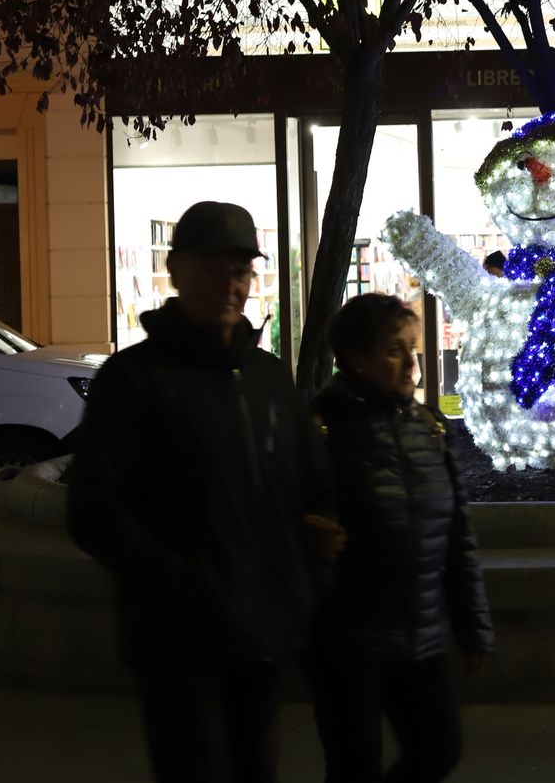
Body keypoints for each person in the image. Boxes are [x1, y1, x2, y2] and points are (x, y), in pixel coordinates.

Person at [67, 201, 343, 783]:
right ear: (176, 270)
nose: (231, 284)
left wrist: (309, 563)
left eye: (241, 271)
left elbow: (313, 480)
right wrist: (183, 582)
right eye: (215, 269)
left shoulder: (268, 378)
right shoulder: (133, 379)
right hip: (179, 644)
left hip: (262, 635)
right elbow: (94, 510)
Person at [308, 293, 493, 783]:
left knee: (438, 751)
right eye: (395, 349)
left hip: (423, 637)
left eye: (413, 347)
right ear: (354, 358)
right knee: (354, 767)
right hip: (349, 645)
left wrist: (473, 624)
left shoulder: (430, 429)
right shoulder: (322, 430)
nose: (412, 363)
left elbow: (457, 535)